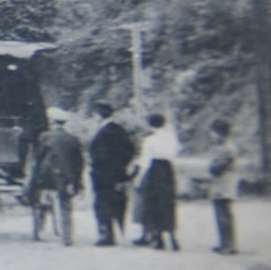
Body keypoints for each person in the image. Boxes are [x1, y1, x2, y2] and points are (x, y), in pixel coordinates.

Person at [27, 108, 84, 244]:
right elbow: (79, 162)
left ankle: (38, 232)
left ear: (52, 122)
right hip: (66, 176)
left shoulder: (45, 136)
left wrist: (33, 177)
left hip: (46, 176)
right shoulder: (73, 139)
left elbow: (38, 157)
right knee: (66, 205)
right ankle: (67, 237)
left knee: (41, 203)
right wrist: (77, 180)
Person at [88, 102, 135, 246]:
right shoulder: (120, 130)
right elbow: (130, 150)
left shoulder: (105, 133)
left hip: (104, 175)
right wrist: (121, 167)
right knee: (116, 204)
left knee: (102, 205)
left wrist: (102, 167)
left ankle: (107, 235)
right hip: (117, 174)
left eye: (95, 114)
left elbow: (101, 155)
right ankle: (115, 232)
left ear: (99, 115)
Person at [135, 112, 180, 251]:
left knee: (153, 203)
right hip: (167, 169)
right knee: (167, 203)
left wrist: (138, 177)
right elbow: (175, 153)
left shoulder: (150, 139)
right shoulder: (171, 138)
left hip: (154, 170)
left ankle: (158, 238)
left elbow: (145, 160)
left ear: (150, 124)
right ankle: (173, 238)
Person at [208, 118, 240, 255]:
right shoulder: (221, 147)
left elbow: (219, 166)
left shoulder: (228, 148)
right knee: (220, 213)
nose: (212, 136)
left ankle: (229, 245)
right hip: (220, 182)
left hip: (225, 182)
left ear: (220, 133)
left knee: (224, 213)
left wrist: (213, 168)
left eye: (214, 133)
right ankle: (224, 243)